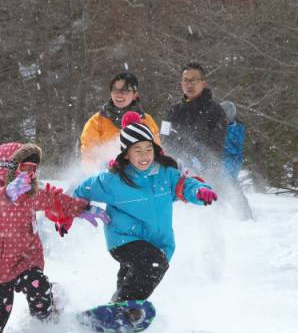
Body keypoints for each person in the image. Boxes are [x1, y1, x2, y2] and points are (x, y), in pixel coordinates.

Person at [73, 112, 217, 311]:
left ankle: (117, 311)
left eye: (148, 149)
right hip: (123, 239)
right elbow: (80, 191)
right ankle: (123, 308)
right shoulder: (113, 179)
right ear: (126, 154)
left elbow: (185, 185)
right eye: (137, 150)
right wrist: (78, 208)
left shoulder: (166, 173)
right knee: (153, 264)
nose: (144, 156)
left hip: (158, 240)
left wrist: (200, 192)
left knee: (135, 274)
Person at [0, 142, 109, 333]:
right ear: (8, 168)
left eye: (34, 169)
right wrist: (8, 192)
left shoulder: (31, 194)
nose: (31, 174)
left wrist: (84, 208)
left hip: (25, 260)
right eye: (26, 168)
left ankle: (48, 317)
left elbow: (57, 201)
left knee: (39, 289)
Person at [80, 72, 161, 172]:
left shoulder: (146, 120)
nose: (119, 94)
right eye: (115, 90)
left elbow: (156, 151)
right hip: (106, 175)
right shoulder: (97, 121)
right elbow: (89, 153)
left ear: (135, 94)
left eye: (125, 91)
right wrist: (100, 171)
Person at [162, 62, 228, 176]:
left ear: (203, 83)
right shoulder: (173, 110)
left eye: (194, 80)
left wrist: (197, 160)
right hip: (176, 170)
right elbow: (164, 139)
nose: (189, 85)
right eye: (186, 80)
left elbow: (216, 147)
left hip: (206, 173)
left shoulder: (216, 111)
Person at [220, 101, 253, 220]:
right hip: (220, 164)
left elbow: (234, 149)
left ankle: (246, 216)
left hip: (230, 163)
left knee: (231, 187)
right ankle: (218, 213)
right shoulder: (218, 126)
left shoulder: (236, 129)